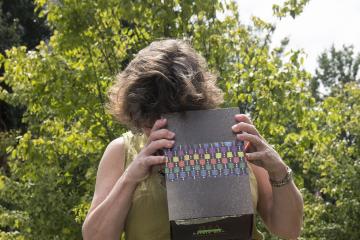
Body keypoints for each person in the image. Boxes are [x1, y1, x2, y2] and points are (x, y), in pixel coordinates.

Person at [81, 39, 304, 240]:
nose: (160, 126)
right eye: (150, 121)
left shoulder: (234, 138)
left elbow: (289, 229)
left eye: (172, 117)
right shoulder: (122, 151)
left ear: (195, 104)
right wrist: (130, 178)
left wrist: (278, 170)